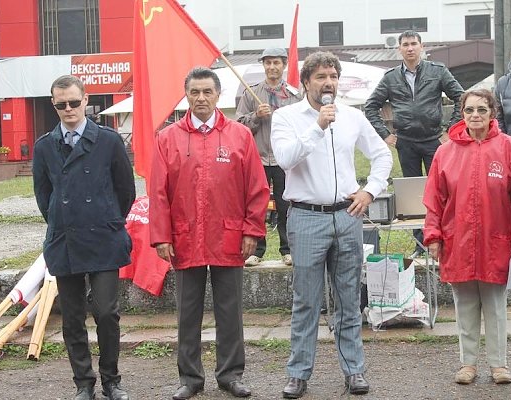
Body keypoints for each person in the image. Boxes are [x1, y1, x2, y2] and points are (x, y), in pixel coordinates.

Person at [271, 51, 393, 399]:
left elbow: (382, 155)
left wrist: (370, 191)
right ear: (306, 82)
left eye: (333, 76)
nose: (329, 83)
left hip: (347, 215)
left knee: (349, 299)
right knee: (306, 301)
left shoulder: (353, 117)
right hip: (306, 216)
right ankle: (298, 373)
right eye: (321, 77)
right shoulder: (287, 117)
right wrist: (318, 126)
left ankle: (354, 371)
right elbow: (285, 159)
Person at [149, 67, 269, 400]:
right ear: (186, 95)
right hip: (185, 238)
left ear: (218, 95)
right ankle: (190, 378)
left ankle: (230, 374)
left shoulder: (239, 136)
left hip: (229, 237)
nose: (201, 98)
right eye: (194, 92)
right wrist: (161, 236)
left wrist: (252, 231)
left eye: (207, 92)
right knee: (187, 312)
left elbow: (256, 188)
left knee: (229, 310)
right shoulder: (168, 138)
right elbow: (158, 192)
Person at [423, 89, 511, 386]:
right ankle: (468, 363)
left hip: (495, 240)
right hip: (457, 239)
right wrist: (433, 235)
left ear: (492, 113)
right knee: (464, 305)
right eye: (469, 110)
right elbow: (434, 199)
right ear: (461, 114)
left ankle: (499, 364)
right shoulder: (445, 153)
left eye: (482, 110)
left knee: (495, 304)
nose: (475, 116)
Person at [33, 75, 135, 400]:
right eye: (61, 104)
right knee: (73, 317)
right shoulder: (45, 146)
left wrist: (107, 219)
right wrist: (63, 224)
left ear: (86, 100)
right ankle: (83, 383)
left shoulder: (109, 140)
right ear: (54, 105)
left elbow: (126, 191)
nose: (69, 109)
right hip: (66, 241)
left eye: (74, 102)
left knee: (106, 311)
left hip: (103, 236)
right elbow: (43, 196)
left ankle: (112, 381)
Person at [364, 30, 464, 258]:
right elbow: (371, 106)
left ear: (422, 46)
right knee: (413, 196)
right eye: (405, 44)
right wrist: (385, 135)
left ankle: (444, 239)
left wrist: (450, 132)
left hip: (434, 141)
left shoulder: (438, 71)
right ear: (399, 48)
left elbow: (461, 97)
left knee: (440, 191)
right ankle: (421, 244)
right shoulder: (390, 77)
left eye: (414, 44)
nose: (410, 48)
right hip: (406, 142)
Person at [236, 47, 301, 267]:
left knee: (286, 204)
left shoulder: (293, 96)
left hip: (285, 159)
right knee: (258, 205)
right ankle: (258, 250)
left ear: (284, 65)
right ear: (263, 65)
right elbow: (238, 126)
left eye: (276, 63)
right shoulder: (250, 93)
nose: (272, 67)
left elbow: (302, 125)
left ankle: (287, 248)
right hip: (259, 159)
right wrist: (256, 116)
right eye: (268, 63)